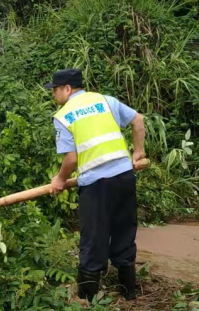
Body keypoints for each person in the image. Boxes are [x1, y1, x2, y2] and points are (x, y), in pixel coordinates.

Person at [43, 69, 146, 301]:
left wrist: (59, 179)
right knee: (124, 230)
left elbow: (71, 158)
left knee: (93, 238)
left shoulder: (64, 115)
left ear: (68, 89)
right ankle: (129, 292)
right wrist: (138, 151)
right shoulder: (105, 100)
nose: (54, 95)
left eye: (56, 90)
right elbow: (138, 120)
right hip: (124, 177)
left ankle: (88, 298)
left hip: (96, 184)